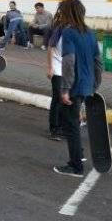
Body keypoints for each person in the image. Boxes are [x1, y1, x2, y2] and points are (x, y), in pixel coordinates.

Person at [53, 0, 102, 178]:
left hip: (73, 87)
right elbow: (98, 62)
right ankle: (78, 155)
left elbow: (69, 61)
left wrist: (65, 89)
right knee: (74, 123)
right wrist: (94, 85)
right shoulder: (90, 33)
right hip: (86, 85)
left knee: (71, 125)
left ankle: (75, 166)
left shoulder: (69, 33)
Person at [46, 9, 65, 141]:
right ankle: (54, 128)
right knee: (57, 97)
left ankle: (63, 127)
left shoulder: (77, 30)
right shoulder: (59, 29)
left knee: (67, 99)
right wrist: (50, 67)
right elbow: (51, 48)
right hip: (57, 67)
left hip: (69, 70)